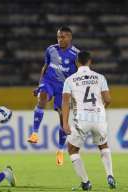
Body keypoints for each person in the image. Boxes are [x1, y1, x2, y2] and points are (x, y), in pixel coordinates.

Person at [62, 51, 116, 190]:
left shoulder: (70, 80)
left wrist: (65, 123)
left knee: (72, 149)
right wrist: (101, 109)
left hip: (82, 118)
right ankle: (110, 175)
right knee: (103, 145)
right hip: (98, 116)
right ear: (90, 61)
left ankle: (86, 182)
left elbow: (65, 102)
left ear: (76, 62)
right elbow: (108, 99)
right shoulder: (100, 77)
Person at [28, 26, 80, 166]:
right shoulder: (51, 49)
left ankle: (60, 150)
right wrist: (40, 85)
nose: (60, 39)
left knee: (63, 118)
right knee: (42, 96)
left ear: (69, 37)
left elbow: (80, 75)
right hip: (49, 82)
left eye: (63, 37)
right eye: (58, 37)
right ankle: (34, 133)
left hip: (64, 89)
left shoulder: (76, 54)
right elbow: (45, 67)